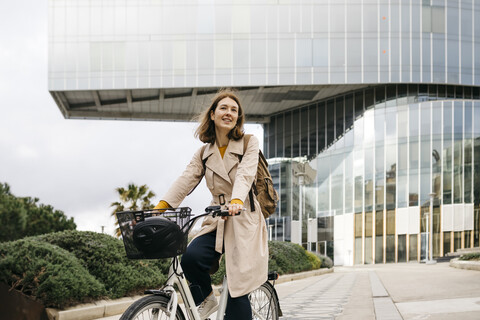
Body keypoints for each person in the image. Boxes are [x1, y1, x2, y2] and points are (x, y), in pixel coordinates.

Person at [153, 89, 268, 320]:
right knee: (191, 258)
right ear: (213, 115)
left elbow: (246, 175)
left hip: (243, 218)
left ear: (238, 118)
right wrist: (159, 208)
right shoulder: (204, 153)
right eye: (224, 108)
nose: (229, 113)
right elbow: (186, 179)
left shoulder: (248, 143)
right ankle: (205, 301)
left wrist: (236, 201)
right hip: (217, 219)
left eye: (234, 110)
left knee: (237, 289)